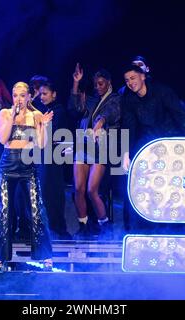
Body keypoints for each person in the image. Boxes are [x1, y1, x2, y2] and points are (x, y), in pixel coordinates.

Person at [121, 64, 185, 231]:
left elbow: (179, 113)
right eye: (127, 80)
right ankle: (149, 226)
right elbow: (129, 127)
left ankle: (180, 226)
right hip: (149, 146)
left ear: (142, 76)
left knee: (173, 186)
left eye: (133, 78)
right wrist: (126, 154)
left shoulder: (162, 91)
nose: (130, 83)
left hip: (170, 143)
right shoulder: (129, 100)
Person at [0, 81, 54, 272]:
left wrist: (44, 125)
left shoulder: (35, 115)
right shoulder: (4, 113)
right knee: (3, 211)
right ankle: (2, 257)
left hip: (28, 164)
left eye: (22, 95)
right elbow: (3, 139)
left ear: (28, 97)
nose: (18, 99)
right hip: (8, 163)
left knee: (36, 210)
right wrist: (12, 116)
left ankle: (44, 256)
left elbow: (42, 144)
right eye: (15, 95)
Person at [68, 64, 121, 239]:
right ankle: (83, 226)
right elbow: (75, 108)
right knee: (78, 189)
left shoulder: (114, 98)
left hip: (101, 147)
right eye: (96, 84)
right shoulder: (91, 100)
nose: (98, 87)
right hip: (83, 146)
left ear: (108, 83)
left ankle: (105, 225)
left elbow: (110, 112)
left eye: (101, 84)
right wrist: (76, 83)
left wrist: (99, 122)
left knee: (92, 190)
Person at [38, 81, 71, 240]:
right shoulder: (45, 111)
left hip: (53, 157)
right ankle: (53, 227)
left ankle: (59, 228)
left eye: (45, 93)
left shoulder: (58, 111)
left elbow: (56, 135)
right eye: (40, 93)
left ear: (54, 94)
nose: (41, 96)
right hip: (45, 156)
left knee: (53, 193)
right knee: (47, 192)